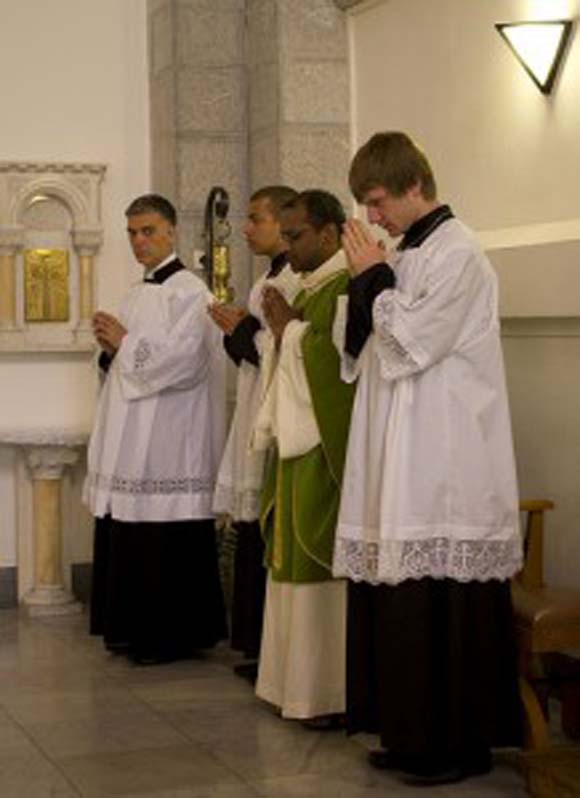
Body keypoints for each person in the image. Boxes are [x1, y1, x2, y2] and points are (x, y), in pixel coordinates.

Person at [332, 132, 523, 784]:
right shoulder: (405, 253)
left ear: (414, 184)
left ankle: (456, 746)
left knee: (439, 604)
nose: (372, 217)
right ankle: (411, 735)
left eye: (378, 201)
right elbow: (358, 344)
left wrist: (373, 279)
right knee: (402, 602)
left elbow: (414, 340)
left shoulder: (459, 253)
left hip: (444, 457)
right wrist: (366, 284)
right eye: (364, 205)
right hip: (397, 454)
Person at [86, 193, 227, 665]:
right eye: (131, 233)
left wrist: (125, 343)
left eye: (147, 231)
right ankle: (128, 630)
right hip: (132, 436)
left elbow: (184, 363)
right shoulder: (136, 292)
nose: (138, 241)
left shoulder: (192, 292)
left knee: (161, 533)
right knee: (130, 528)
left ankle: (169, 636)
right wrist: (109, 350)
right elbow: (125, 363)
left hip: (170, 437)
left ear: (172, 231)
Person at [252, 189, 356, 726]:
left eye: (296, 237)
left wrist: (290, 332)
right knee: (288, 561)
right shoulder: (309, 284)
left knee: (318, 560)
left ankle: (324, 694)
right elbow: (292, 343)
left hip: (322, 449)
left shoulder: (343, 285)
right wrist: (283, 334)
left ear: (331, 234)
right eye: (285, 236)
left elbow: (336, 365)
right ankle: (287, 685)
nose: (287, 248)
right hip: (297, 446)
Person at [209, 185, 300, 683]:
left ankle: (269, 647)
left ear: (284, 221)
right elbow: (257, 348)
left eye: (255, 218)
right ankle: (253, 642)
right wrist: (237, 332)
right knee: (248, 530)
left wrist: (242, 331)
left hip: (277, 416)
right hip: (252, 405)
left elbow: (284, 350)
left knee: (264, 528)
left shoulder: (294, 279)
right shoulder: (268, 276)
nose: (246, 228)